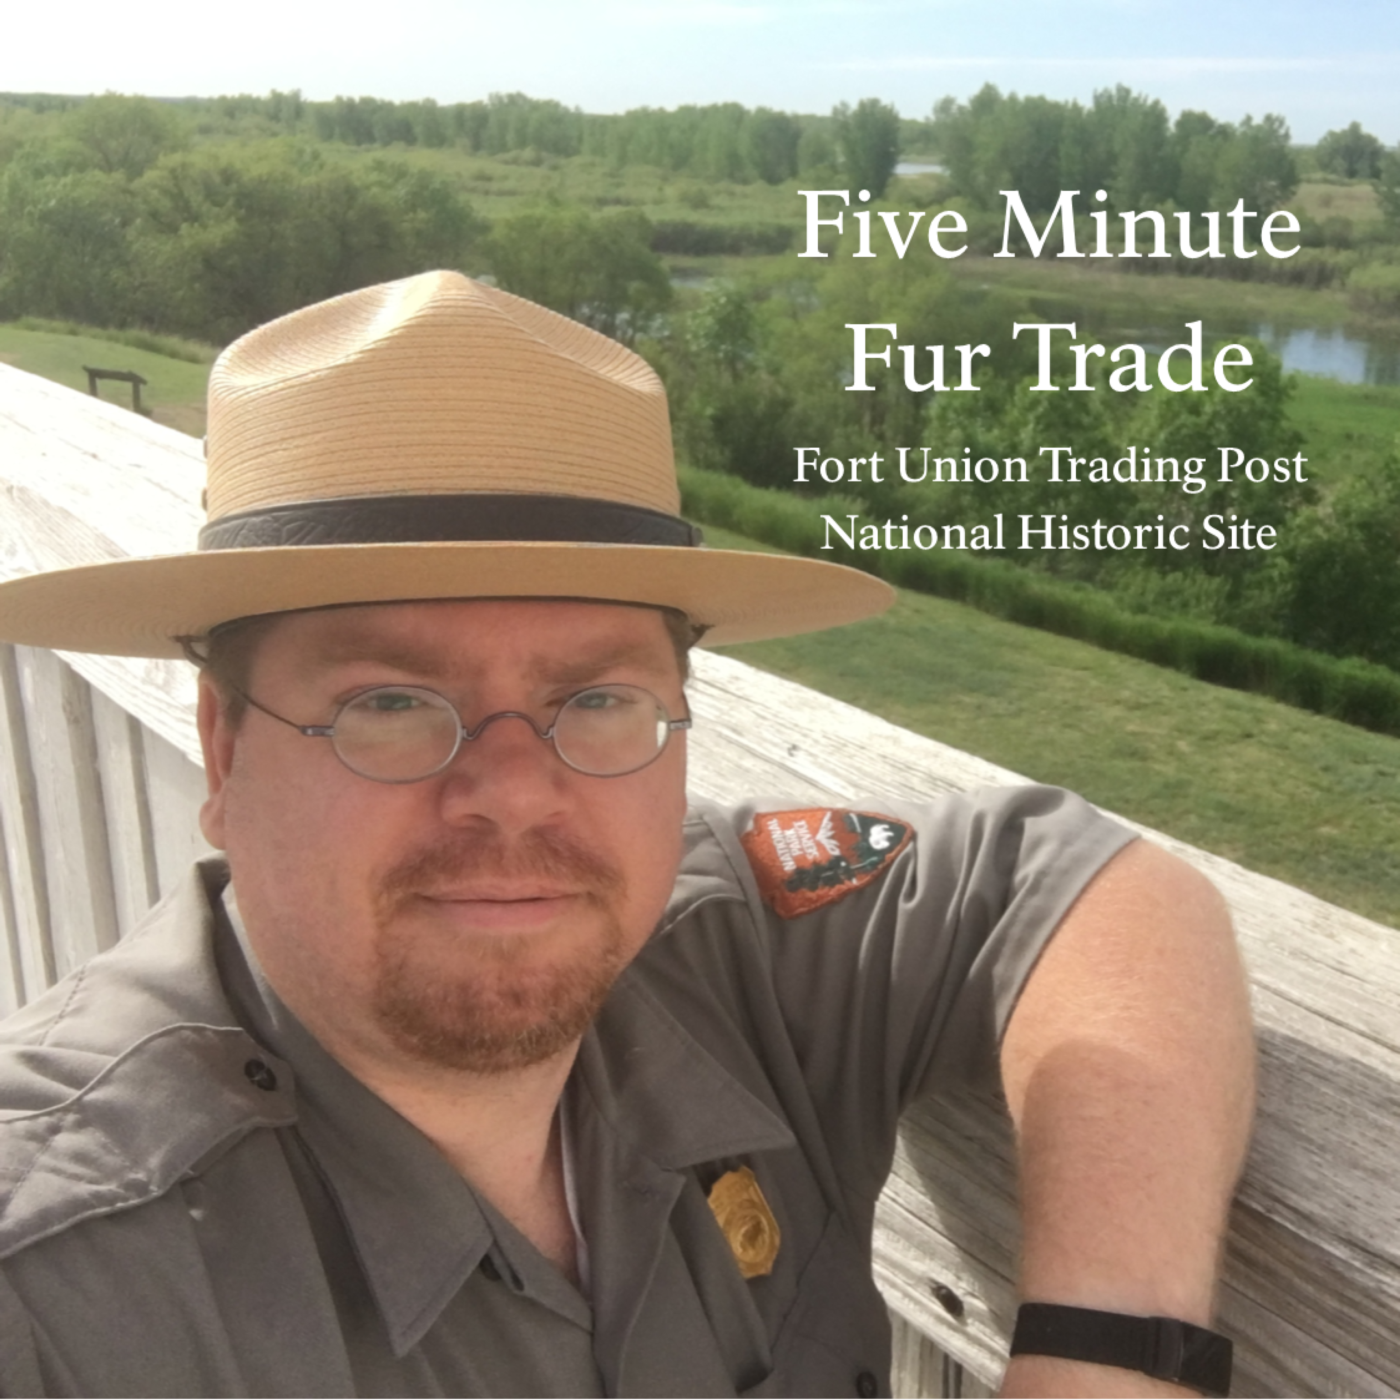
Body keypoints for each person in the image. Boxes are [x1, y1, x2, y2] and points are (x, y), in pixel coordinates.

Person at [0, 271, 1253, 1400]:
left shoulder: (719, 951)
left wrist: (1107, 1356)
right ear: (225, 748)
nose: (514, 792)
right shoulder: (61, 1293)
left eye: (595, 700)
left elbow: (1076, 881)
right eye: (388, 701)